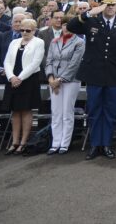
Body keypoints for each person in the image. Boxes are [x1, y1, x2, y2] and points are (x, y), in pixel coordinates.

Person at [67, 0, 116, 160]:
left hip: (113, 74)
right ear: (101, 5)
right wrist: (90, 12)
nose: (110, 7)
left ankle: (107, 144)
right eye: (107, 4)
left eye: (113, 4)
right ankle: (95, 145)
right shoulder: (91, 21)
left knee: (110, 111)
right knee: (94, 110)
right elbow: (71, 26)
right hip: (94, 73)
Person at [2, 18, 44, 155]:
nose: (24, 32)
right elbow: (7, 61)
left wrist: (20, 78)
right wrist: (11, 77)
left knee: (26, 110)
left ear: (34, 30)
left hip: (28, 79)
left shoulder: (39, 42)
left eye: (28, 30)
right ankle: (14, 141)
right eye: (22, 30)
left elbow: (35, 63)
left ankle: (23, 142)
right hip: (12, 79)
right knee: (15, 111)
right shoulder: (14, 42)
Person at [44, 20, 85, 154]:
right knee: (56, 112)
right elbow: (49, 61)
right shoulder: (54, 41)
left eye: (69, 26)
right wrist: (51, 78)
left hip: (71, 81)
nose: (66, 28)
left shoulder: (79, 42)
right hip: (54, 80)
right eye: (64, 25)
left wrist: (59, 80)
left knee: (67, 112)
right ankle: (55, 143)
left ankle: (65, 143)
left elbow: (75, 64)